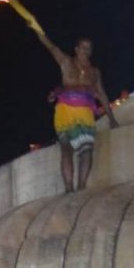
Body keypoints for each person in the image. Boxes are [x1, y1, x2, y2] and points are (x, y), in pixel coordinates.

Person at [29, 27, 118, 193]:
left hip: (85, 113)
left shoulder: (94, 73)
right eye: (83, 47)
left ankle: (81, 186)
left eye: (89, 48)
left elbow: (101, 94)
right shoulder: (66, 62)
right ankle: (69, 188)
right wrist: (37, 29)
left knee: (86, 150)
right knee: (66, 149)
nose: (86, 50)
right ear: (76, 49)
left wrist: (112, 118)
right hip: (65, 111)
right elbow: (51, 47)